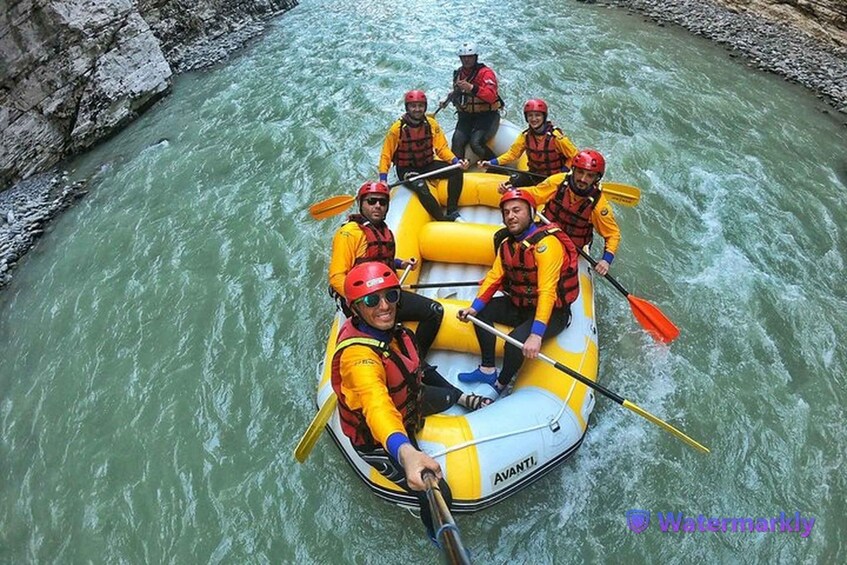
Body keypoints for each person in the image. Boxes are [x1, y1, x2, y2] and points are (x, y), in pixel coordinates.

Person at [331, 262, 490, 538]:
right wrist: (405, 451)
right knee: (439, 493)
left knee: (451, 395)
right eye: (372, 300)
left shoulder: (396, 334)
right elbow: (376, 405)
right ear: (355, 308)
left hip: (408, 404)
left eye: (390, 296)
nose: (384, 306)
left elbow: (416, 369)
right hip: (378, 438)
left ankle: (462, 396)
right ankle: (436, 535)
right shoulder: (359, 360)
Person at [456, 189, 579, 395]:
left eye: (516, 210)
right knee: (482, 313)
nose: (511, 216)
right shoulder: (507, 245)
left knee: (514, 343)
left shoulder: (547, 245)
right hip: (521, 305)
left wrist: (536, 335)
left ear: (530, 212)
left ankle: (500, 384)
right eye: (506, 212)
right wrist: (474, 308)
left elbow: (548, 291)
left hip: (554, 313)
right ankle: (487, 369)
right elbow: (494, 277)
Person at [328, 180, 445, 358]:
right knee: (385, 339)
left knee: (434, 312)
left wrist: (401, 264)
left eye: (382, 202)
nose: (377, 206)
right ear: (361, 204)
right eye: (372, 201)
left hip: (386, 294)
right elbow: (336, 277)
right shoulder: (349, 234)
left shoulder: (385, 231)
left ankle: (418, 361)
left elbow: (381, 260)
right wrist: (362, 302)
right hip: (364, 301)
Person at [506, 149, 621, 276]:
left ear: (596, 179)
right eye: (580, 172)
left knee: (544, 259)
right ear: (573, 170)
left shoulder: (599, 206)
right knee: (503, 237)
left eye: (589, 175)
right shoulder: (557, 182)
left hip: (569, 246)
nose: (583, 179)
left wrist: (606, 260)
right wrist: (513, 191)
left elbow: (612, 235)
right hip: (544, 232)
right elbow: (535, 194)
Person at [379, 90, 469, 222]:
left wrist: (456, 161)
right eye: (413, 106)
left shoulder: (431, 124)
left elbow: (442, 148)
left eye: (420, 106)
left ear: (425, 107)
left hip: (427, 164)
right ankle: (441, 218)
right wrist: (383, 180)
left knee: (456, 171)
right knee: (420, 185)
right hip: (407, 169)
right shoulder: (397, 129)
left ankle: (452, 210)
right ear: (407, 108)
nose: (417, 109)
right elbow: (386, 155)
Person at [479, 98, 579, 187]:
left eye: (537, 115)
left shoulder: (556, 137)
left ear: (544, 117)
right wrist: (491, 162)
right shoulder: (525, 136)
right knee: (511, 184)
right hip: (534, 175)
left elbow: (574, 156)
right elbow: (512, 154)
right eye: (530, 115)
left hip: (555, 178)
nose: (534, 119)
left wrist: (563, 172)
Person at [445, 42, 503, 162]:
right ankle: (458, 172)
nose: (466, 60)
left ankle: (498, 168)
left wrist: (472, 88)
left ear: (475, 57)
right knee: (457, 141)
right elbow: (459, 94)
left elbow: (491, 96)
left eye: (470, 57)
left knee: (476, 143)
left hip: (486, 116)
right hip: (466, 116)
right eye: (464, 57)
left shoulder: (486, 73)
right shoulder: (458, 73)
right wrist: (448, 99)